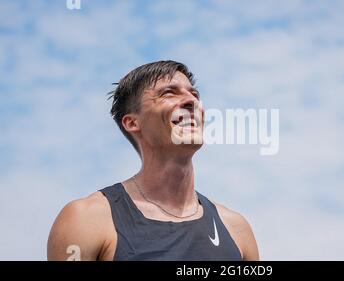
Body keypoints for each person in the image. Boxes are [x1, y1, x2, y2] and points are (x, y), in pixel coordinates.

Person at [47, 60, 259, 261]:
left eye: (194, 93)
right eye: (168, 93)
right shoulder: (87, 219)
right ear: (132, 122)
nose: (191, 100)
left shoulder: (236, 229)